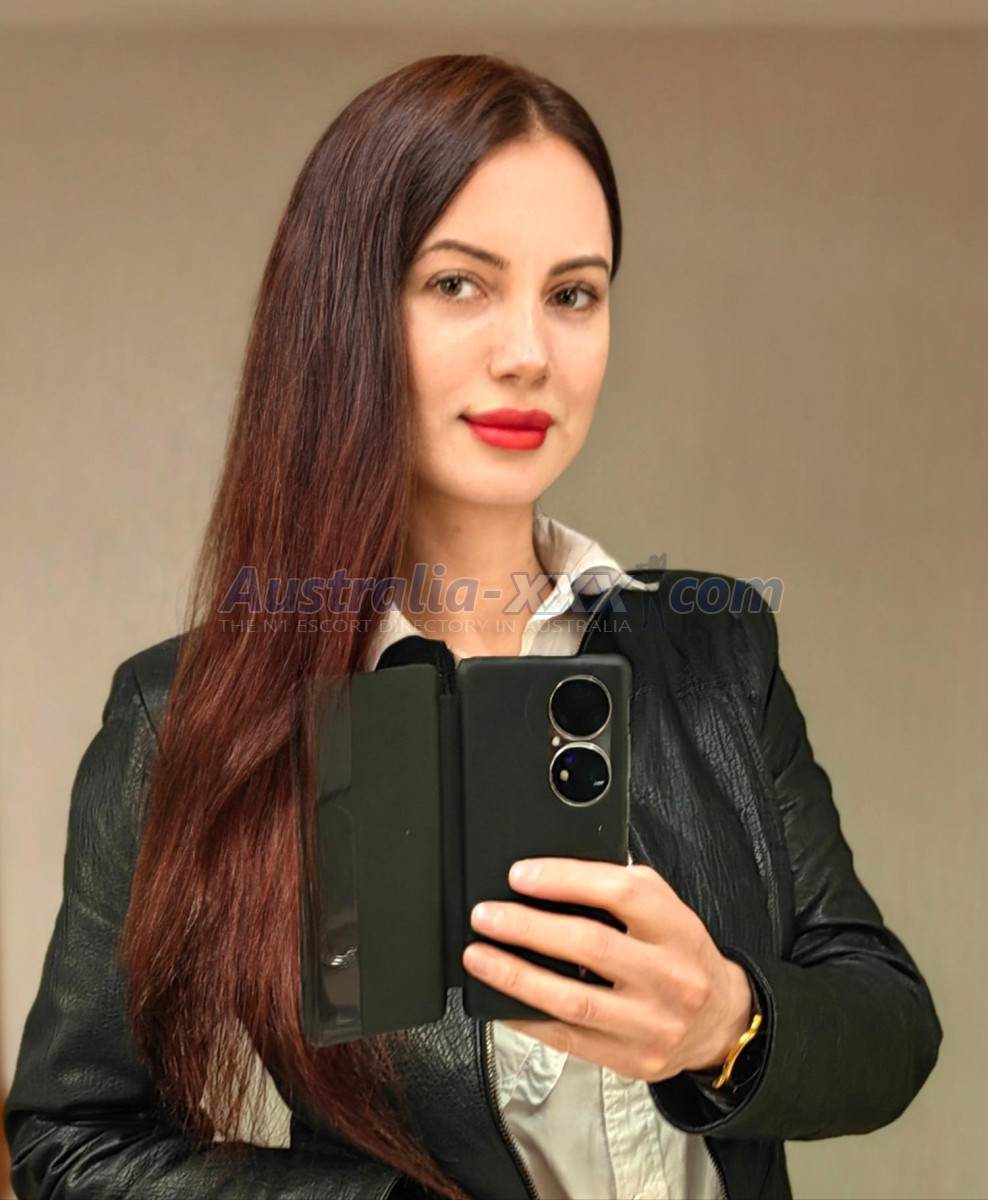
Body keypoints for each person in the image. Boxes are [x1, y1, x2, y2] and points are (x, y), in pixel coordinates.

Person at [4, 52, 942, 1200]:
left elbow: (889, 1024)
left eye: (573, 293)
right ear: (344, 310)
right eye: (459, 284)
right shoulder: (187, 716)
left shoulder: (714, 647)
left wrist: (722, 1024)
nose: (527, 354)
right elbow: (70, 1142)